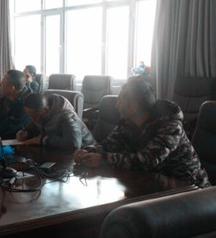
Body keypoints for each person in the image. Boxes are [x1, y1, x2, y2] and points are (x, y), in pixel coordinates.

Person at [74, 79, 209, 187]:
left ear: (134, 107)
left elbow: (147, 160)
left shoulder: (169, 125)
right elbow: (108, 145)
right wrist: (88, 151)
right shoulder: (127, 122)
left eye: (120, 101)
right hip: (153, 183)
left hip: (189, 188)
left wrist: (103, 159)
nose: (117, 105)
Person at [16, 93, 95, 151]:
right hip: (58, 151)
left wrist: (43, 140)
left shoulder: (66, 117)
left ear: (46, 110)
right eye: (28, 114)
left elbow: (73, 144)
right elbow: (32, 127)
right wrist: (25, 133)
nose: (31, 118)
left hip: (86, 152)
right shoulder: (38, 113)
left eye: (33, 114)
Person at [0, 70, 31, 139]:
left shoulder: (27, 104)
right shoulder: (4, 99)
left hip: (12, 140)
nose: (0, 84)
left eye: (3, 82)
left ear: (12, 88)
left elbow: (6, 128)